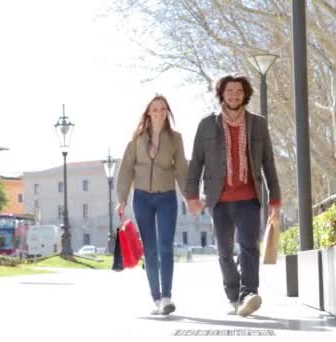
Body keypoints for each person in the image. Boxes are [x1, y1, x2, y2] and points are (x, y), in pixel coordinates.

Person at [185, 74, 281, 317]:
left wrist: (275, 198)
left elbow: (268, 162)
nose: (234, 95)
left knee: (249, 247)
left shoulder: (258, 123)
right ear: (222, 94)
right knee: (225, 251)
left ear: (245, 94)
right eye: (229, 91)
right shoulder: (207, 124)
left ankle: (249, 293)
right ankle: (233, 296)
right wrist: (191, 195)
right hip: (219, 198)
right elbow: (196, 162)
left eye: (239, 91)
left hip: (249, 197)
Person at [116, 94, 188, 315]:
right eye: (155, 109)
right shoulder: (137, 139)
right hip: (142, 199)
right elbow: (126, 169)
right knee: (150, 249)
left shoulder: (175, 138)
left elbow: (182, 169)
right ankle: (156, 299)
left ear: (167, 112)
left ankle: (167, 296)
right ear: (149, 112)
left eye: (163, 109)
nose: (159, 112)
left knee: (166, 247)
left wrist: (189, 196)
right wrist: (122, 199)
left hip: (166, 197)